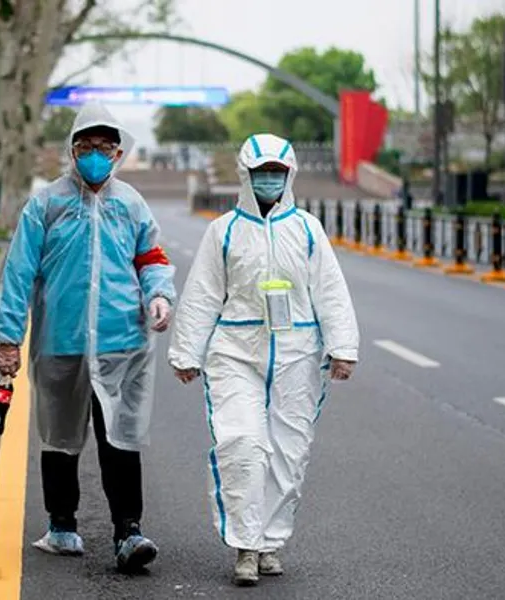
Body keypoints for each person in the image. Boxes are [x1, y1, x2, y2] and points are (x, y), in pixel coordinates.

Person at [168, 133, 359, 587]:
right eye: (261, 173)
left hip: (298, 354)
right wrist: (186, 352)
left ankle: (270, 540)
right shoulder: (224, 231)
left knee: (288, 452)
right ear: (245, 176)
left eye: (277, 172)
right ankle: (245, 547)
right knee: (242, 445)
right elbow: (202, 296)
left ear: (289, 175)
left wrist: (343, 348)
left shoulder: (308, 230)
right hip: (235, 353)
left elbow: (330, 292)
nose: (269, 180)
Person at [0, 102, 176, 572]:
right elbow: (17, 273)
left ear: (117, 153)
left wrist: (159, 295)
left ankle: (128, 532)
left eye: (104, 147)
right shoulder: (47, 205)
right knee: (59, 437)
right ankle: (61, 525)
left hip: (121, 343)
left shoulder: (131, 203)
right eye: (86, 146)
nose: (95, 155)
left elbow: (151, 257)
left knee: (120, 438)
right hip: (61, 341)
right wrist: (8, 339)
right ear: (71, 150)